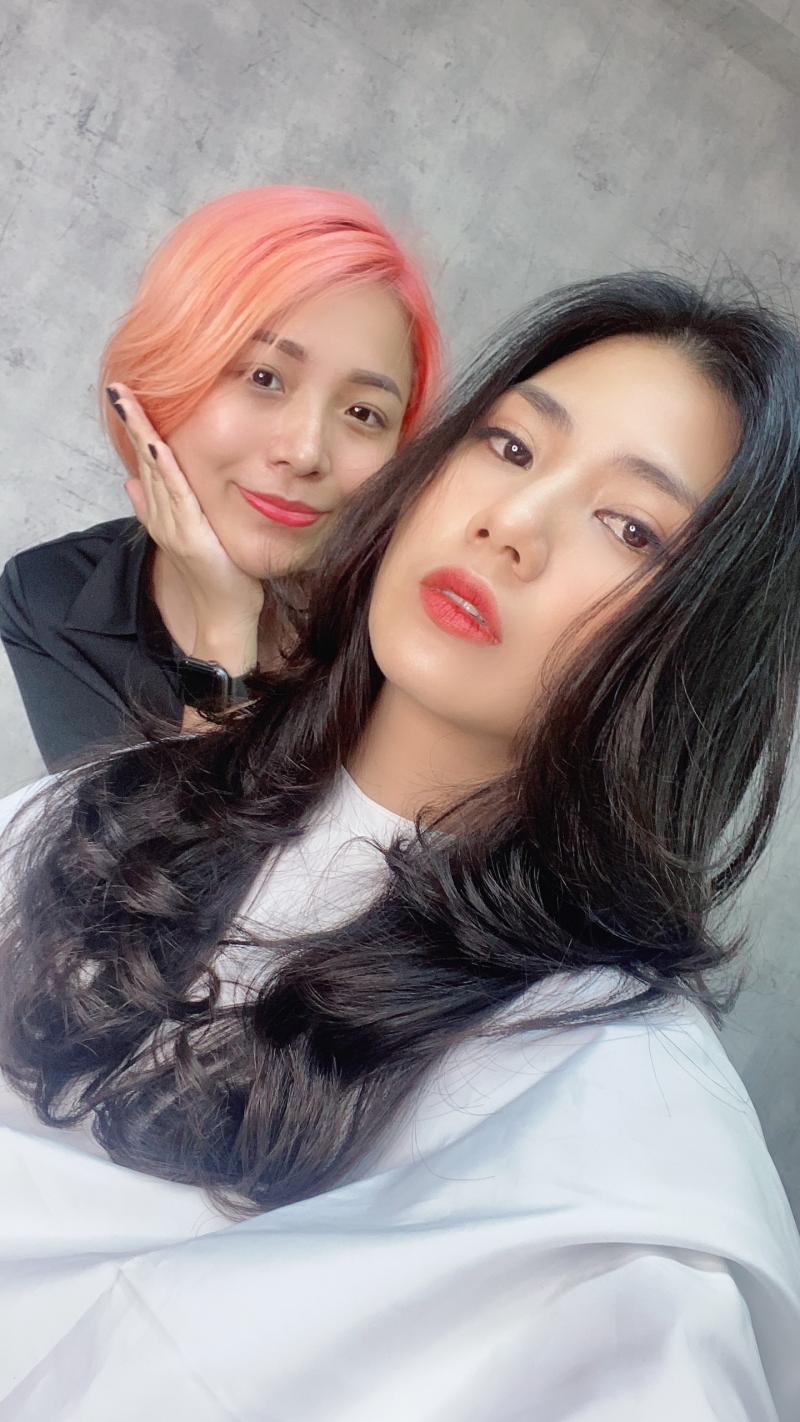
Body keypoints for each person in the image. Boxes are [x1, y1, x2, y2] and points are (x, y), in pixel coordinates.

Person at [1, 272, 799, 1418]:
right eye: (511, 448)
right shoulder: (103, 807)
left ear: (700, 653)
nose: (510, 524)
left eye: (628, 528)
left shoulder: (619, 1166)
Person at [0, 185, 441, 769]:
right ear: (161, 379)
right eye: (263, 377)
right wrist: (224, 632)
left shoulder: (409, 628)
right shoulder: (52, 595)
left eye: (363, 413)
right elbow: (130, 834)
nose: (305, 452)